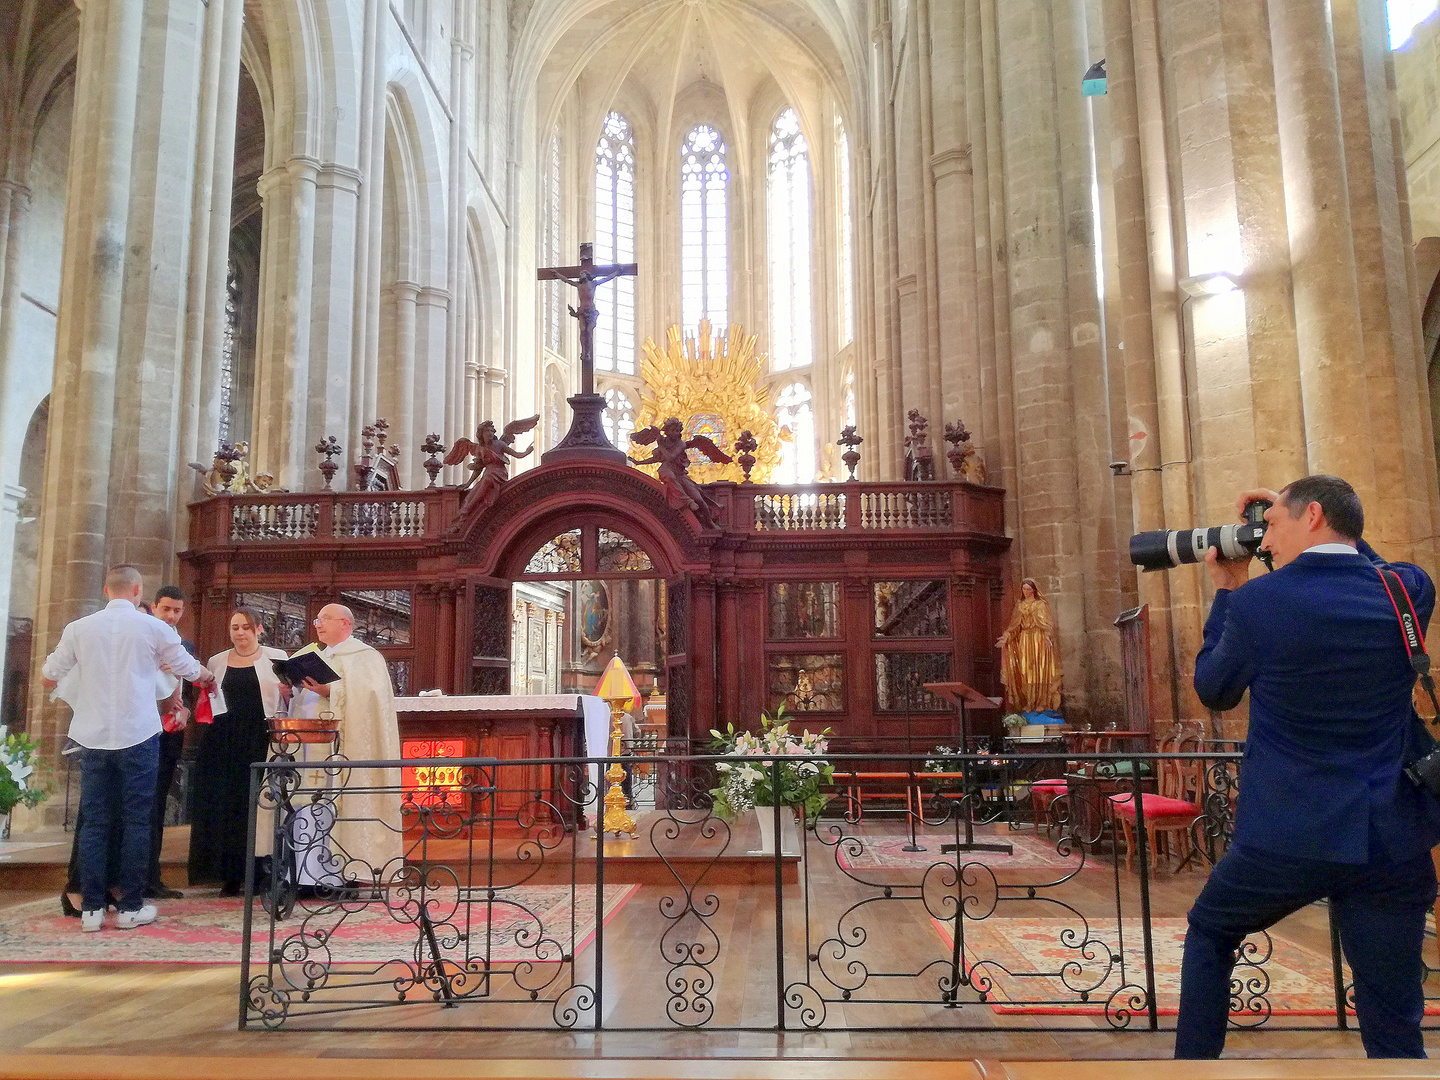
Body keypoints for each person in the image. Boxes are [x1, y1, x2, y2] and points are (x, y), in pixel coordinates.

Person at [1176, 475, 1440, 1059]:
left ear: (1312, 514)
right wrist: (1339, 533)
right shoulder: (1407, 589)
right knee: (1392, 1000)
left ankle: (1192, 1071)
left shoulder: (1255, 604)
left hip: (1287, 837)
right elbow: (1376, 563)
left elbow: (1214, 690)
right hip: (1389, 836)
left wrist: (1226, 589)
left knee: (1212, 932)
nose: (1264, 541)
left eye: (1272, 524)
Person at [41, 565, 211, 932]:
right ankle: (131, 906)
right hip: (139, 735)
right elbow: (186, 667)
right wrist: (207, 676)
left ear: (106, 590)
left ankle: (91, 910)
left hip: (93, 735)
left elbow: (48, 675)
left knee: (95, 822)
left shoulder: (79, 628)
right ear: (138, 590)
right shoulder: (153, 627)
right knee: (137, 820)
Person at [296, 604, 403, 885]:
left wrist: (330, 690)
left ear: (345, 624)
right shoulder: (312, 655)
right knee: (308, 806)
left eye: (325, 619)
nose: (318, 624)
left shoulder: (365, 657)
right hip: (309, 747)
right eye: (317, 619)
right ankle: (306, 877)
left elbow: (371, 699)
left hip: (342, 751)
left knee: (334, 806)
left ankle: (343, 876)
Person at [188, 607, 288, 896]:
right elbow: (209, 697)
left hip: (261, 738)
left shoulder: (277, 658)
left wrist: (288, 694)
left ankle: (260, 874)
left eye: (246, 627)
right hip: (223, 740)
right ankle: (228, 875)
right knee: (226, 804)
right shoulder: (217, 661)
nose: (240, 633)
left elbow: (291, 696)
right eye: (235, 628)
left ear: (259, 629)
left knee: (257, 806)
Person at [996, 578, 1063, 713]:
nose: (1026, 592)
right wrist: (1007, 636)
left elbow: (1048, 624)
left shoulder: (1041, 605)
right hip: (1025, 641)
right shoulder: (1019, 605)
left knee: (1041, 670)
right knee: (1026, 671)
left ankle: (1042, 702)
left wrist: (1048, 636)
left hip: (1039, 640)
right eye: (1024, 589)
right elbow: (1014, 626)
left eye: (1028, 589)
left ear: (1034, 590)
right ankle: (1028, 702)